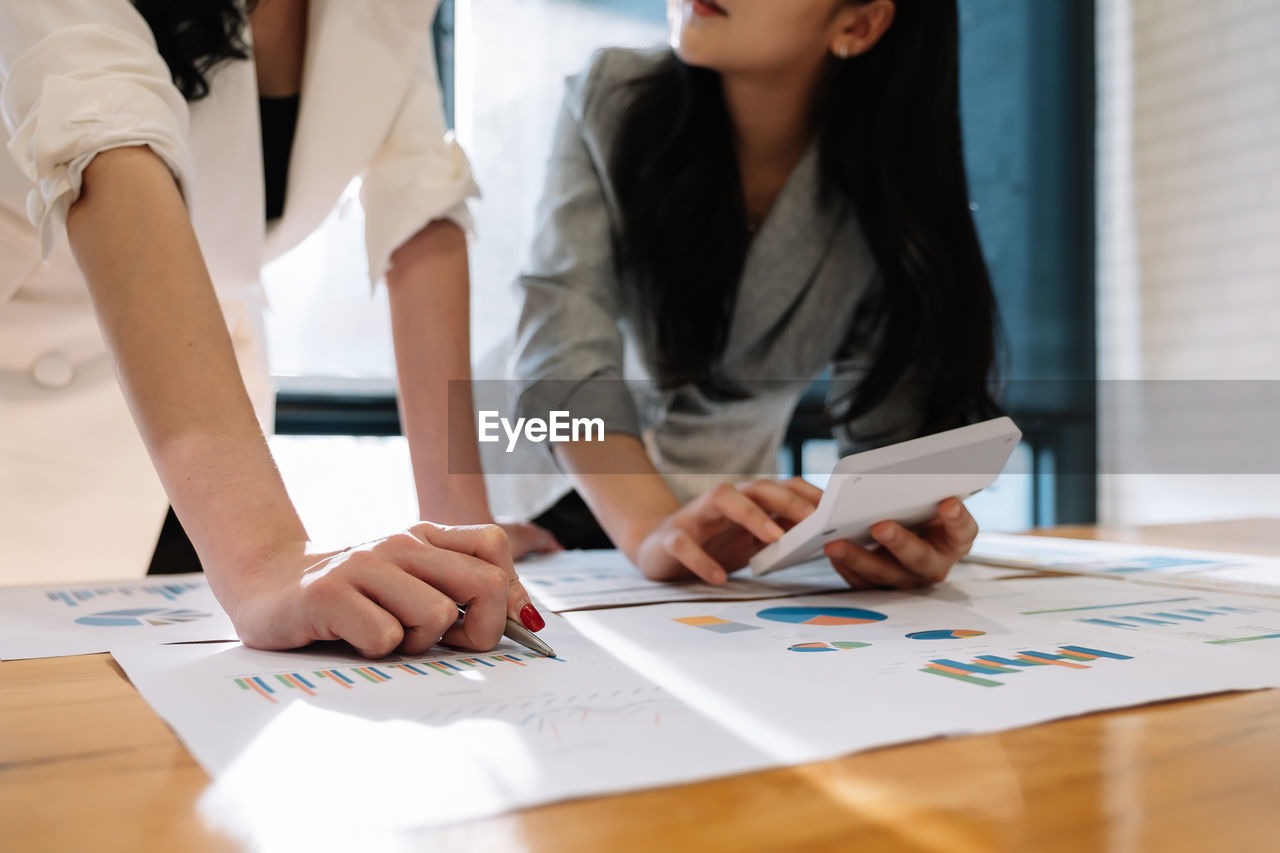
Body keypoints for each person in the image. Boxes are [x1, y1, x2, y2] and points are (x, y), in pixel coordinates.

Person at [0, 0, 553, 657]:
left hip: (197, 451)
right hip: (32, 427)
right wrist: (267, 554)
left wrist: (465, 531)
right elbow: (108, 147)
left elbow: (419, 203)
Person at [507, 0, 1001, 589]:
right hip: (545, 505)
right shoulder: (615, 97)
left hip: (727, 534)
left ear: (858, 24)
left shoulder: (883, 196)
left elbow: (889, 450)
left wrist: (903, 533)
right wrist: (650, 529)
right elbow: (561, 342)